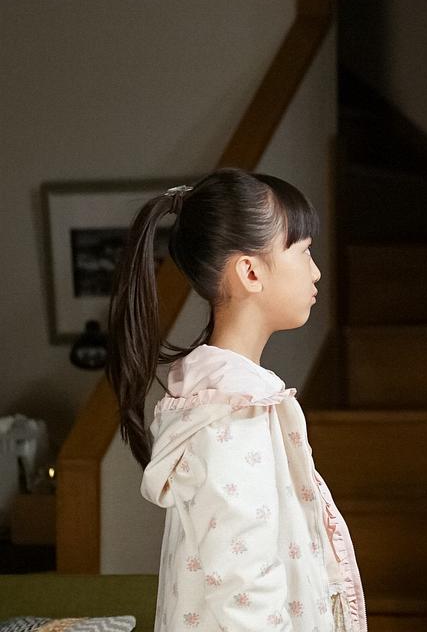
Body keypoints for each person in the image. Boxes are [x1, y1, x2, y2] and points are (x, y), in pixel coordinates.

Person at [107, 169, 366, 632]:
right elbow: (245, 589)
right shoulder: (232, 413)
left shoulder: (231, 398)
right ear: (250, 272)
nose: (315, 271)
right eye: (303, 251)